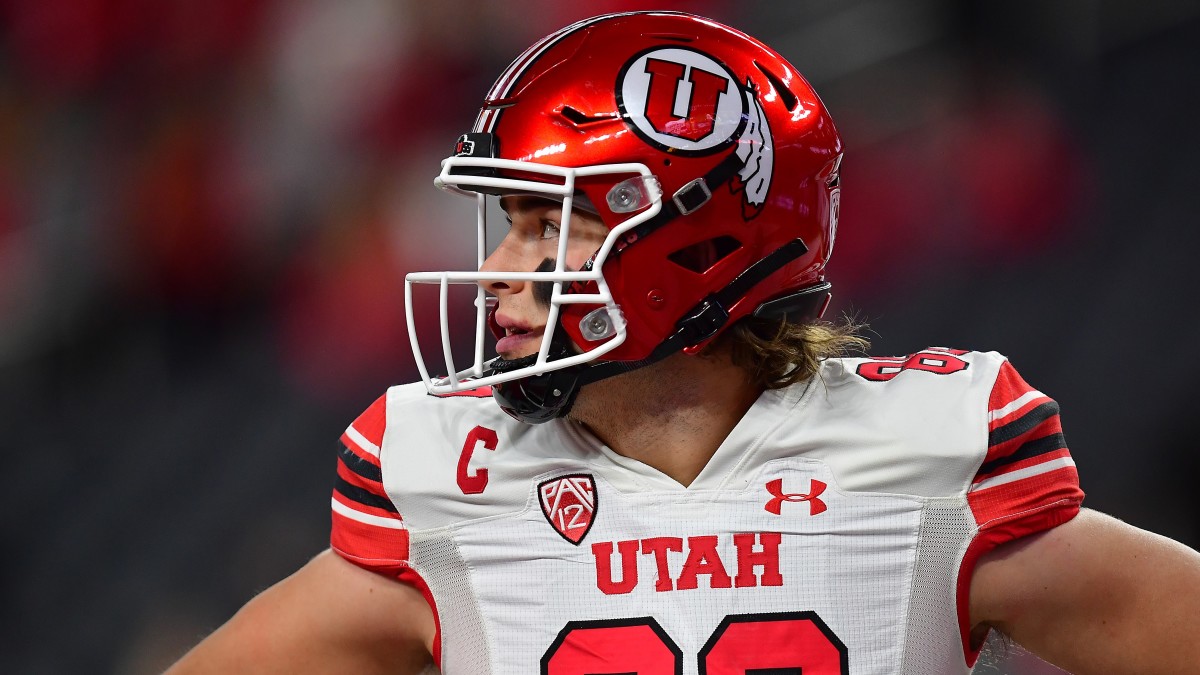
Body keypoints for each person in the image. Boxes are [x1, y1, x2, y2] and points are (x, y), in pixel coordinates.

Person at [168, 10, 1200, 675]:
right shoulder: (450, 480)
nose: (495, 272)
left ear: (689, 236)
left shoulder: (925, 462)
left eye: (543, 226)